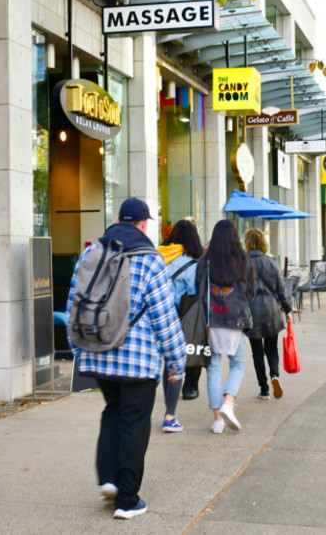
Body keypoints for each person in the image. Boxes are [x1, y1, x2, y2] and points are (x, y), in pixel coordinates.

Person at [66, 198, 186, 520]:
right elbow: (165, 318)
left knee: (113, 411)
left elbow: (73, 309)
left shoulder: (91, 255)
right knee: (134, 423)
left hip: (98, 356)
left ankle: (109, 480)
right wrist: (176, 362)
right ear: (144, 224)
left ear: (118, 220)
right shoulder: (151, 261)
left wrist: (80, 352)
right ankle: (128, 499)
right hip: (138, 362)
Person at [198, 219, 255, 434]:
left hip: (210, 320)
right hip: (234, 319)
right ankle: (228, 403)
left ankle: (217, 421)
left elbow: (198, 288)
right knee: (238, 363)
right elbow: (251, 292)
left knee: (212, 367)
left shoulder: (205, 261)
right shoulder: (243, 260)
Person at [157, 219, 205, 430]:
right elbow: (193, 293)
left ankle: (168, 405)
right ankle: (169, 414)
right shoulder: (190, 264)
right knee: (175, 363)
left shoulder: (159, 256)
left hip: (157, 315)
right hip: (178, 317)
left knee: (165, 362)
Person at [243, 228, 294, 400]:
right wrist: (288, 310)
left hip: (252, 311)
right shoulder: (271, 262)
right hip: (271, 309)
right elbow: (281, 289)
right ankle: (275, 375)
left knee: (257, 351)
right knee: (272, 347)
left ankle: (264, 388)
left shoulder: (243, 263)